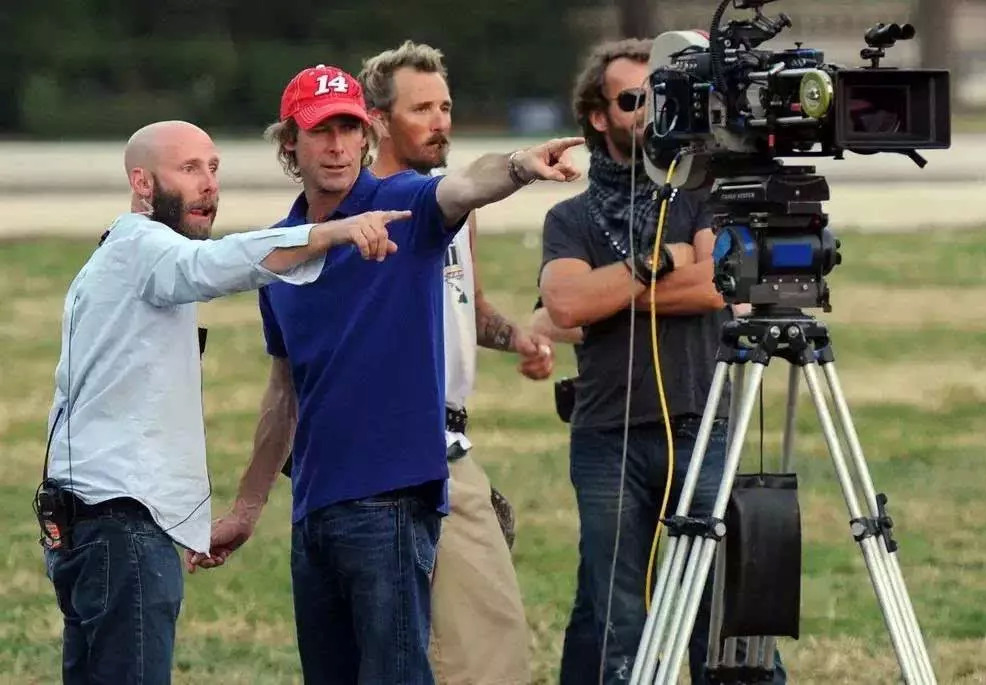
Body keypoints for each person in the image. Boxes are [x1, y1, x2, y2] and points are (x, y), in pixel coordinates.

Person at [189, 64, 582, 684]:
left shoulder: (404, 205)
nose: (338, 146)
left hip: (391, 501)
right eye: (321, 131)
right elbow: (284, 390)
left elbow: (464, 186)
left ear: (368, 136)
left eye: (349, 129)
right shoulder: (283, 247)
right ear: (289, 143)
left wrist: (518, 166)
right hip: (314, 507)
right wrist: (247, 506)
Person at [38, 119, 403, 684]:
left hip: (87, 520)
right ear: (142, 182)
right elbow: (212, 265)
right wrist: (332, 232)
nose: (209, 183)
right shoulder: (144, 248)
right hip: (119, 527)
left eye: (213, 168)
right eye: (188, 169)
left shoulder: (117, 255)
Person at [536, 39, 778, 684]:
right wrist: (664, 261)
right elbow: (565, 305)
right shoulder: (569, 217)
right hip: (606, 434)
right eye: (631, 99)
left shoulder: (703, 194)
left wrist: (611, 295)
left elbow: (716, 287)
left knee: (723, 605)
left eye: (660, 96)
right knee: (614, 613)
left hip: (702, 423)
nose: (650, 111)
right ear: (598, 116)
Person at [359, 40, 555, 685]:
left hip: (450, 438)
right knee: (468, 647)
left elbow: (466, 307)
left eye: (444, 106)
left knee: (483, 634)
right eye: (421, 109)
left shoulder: (453, 209)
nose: (440, 121)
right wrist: (522, 165)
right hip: (400, 445)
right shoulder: (366, 210)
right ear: (378, 120)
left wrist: (518, 337)